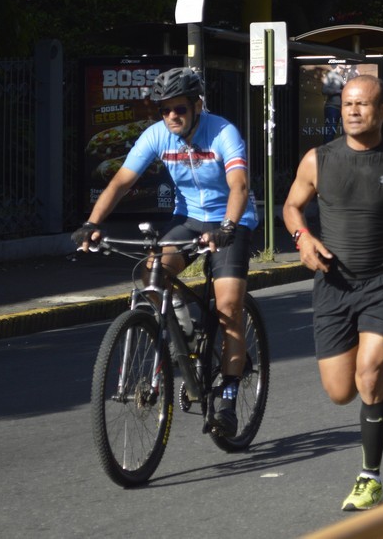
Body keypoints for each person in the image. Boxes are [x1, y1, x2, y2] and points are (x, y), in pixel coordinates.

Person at [282, 74, 383, 511]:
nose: (352, 111)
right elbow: (292, 206)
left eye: (363, 104)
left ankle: (370, 477)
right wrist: (302, 238)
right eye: (347, 104)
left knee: (368, 376)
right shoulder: (318, 160)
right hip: (333, 285)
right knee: (341, 392)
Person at [72, 67, 258, 437]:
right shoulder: (157, 135)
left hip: (231, 220)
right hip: (188, 219)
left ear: (197, 106)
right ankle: (185, 333)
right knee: (151, 274)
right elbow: (121, 181)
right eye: (164, 109)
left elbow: (239, 185)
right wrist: (92, 223)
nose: (172, 116)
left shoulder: (223, 132)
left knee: (228, 308)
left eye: (179, 108)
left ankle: (227, 395)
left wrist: (227, 227)